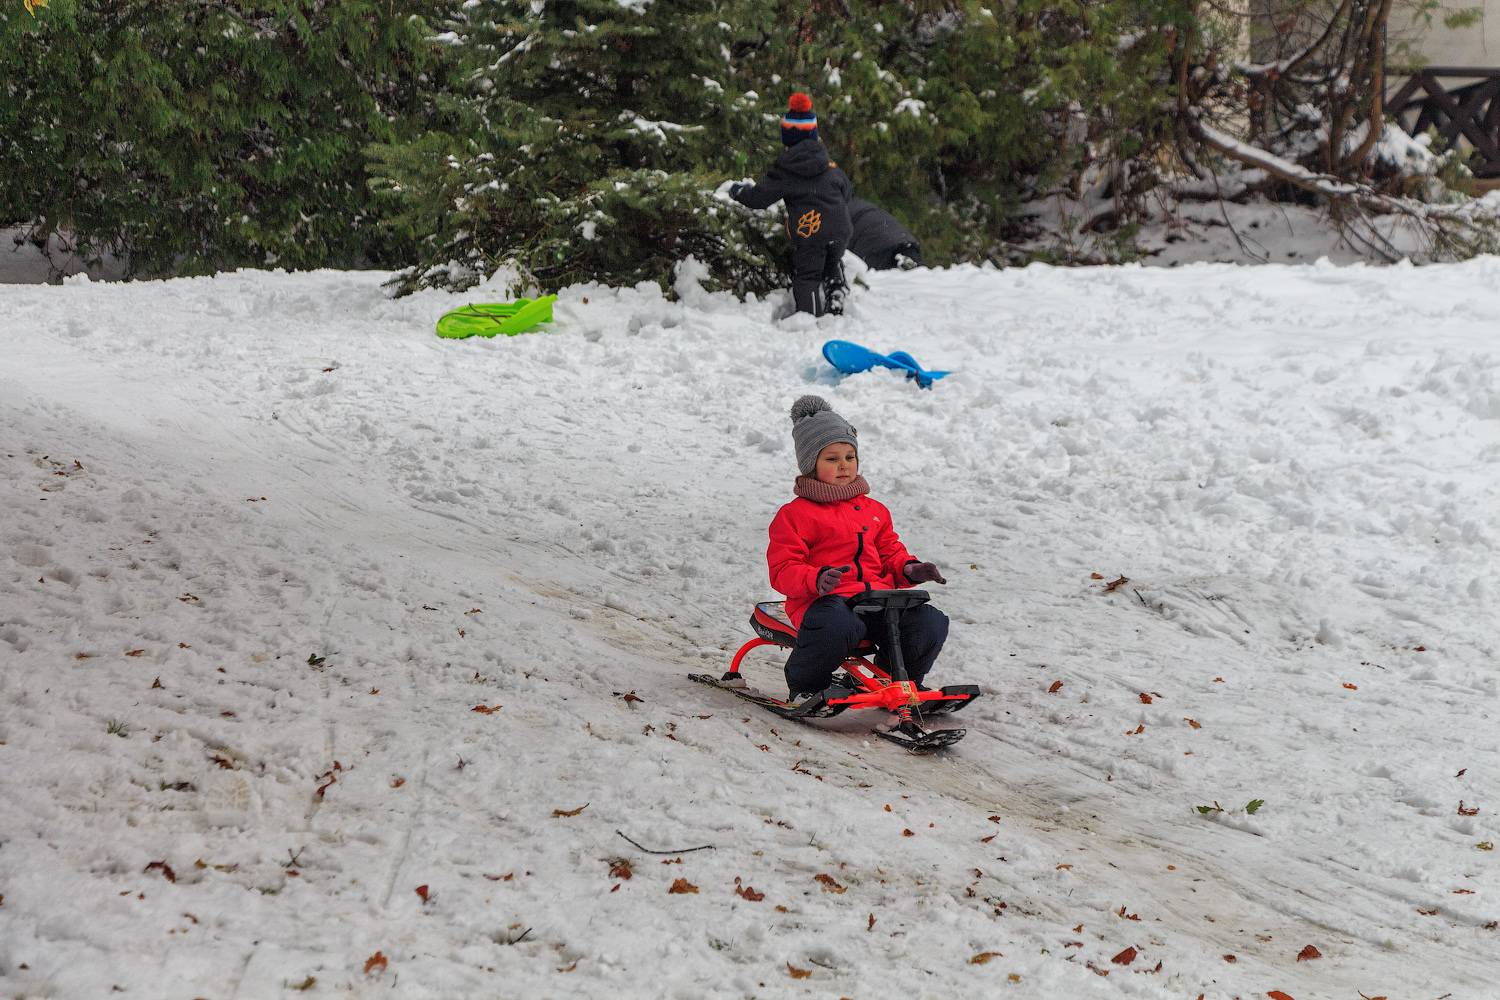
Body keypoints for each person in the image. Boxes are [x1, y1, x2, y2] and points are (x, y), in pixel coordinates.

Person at [766, 395, 950, 708]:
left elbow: (890, 553)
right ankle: (807, 686)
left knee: (929, 622)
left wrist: (910, 569)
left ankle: (896, 679)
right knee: (839, 624)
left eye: (850, 457)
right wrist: (816, 578)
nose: (844, 465)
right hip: (825, 604)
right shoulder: (795, 515)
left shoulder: (874, 510)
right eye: (832, 458)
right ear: (810, 466)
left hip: (877, 601)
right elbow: (783, 568)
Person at [729, 93, 852, 317]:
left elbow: (759, 198)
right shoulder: (829, 164)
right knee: (832, 260)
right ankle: (836, 290)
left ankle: (809, 319)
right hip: (840, 228)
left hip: (810, 231)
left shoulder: (786, 170)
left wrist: (738, 191)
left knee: (808, 276)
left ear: (787, 138)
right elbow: (847, 190)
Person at [848, 197, 923, 271]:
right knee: (918, 274)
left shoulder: (843, 210)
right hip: (904, 242)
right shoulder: (858, 203)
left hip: (877, 248)